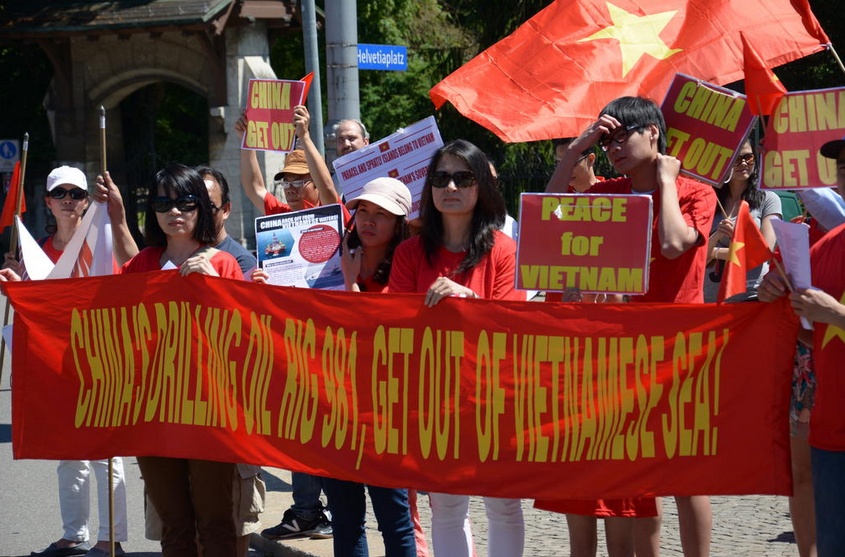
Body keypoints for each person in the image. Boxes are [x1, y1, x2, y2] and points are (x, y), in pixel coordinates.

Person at [547, 96, 716, 557]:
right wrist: (577, 148)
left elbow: (673, 243)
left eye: (622, 136)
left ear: (653, 133)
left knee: (685, 475)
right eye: (607, 142)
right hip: (621, 350)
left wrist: (666, 182)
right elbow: (549, 213)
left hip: (681, 348)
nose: (613, 149)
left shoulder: (696, 192)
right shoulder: (608, 193)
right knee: (636, 471)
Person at [389, 139, 526, 557]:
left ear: (481, 185)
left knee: (503, 504)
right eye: (440, 177)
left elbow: (513, 322)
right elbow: (397, 323)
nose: (450, 187)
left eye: (463, 178)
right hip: (435, 395)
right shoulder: (409, 253)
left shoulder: (504, 249)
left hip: (495, 394)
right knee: (447, 507)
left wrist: (468, 300)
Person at [126, 163, 242, 557]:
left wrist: (215, 285)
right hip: (153, 411)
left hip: (210, 411)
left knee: (215, 522)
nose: (174, 211)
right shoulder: (142, 264)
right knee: (173, 526)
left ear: (202, 208)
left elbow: (244, 337)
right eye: (163, 203)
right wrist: (28, 289)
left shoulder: (223, 263)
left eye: (186, 202)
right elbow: (100, 314)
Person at [19, 166, 132, 557]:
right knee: (68, 452)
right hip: (56, 365)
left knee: (104, 452)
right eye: (60, 193)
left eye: (77, 194)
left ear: (87, 201)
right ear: (47, 202)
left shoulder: (103, 243)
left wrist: (117, 215)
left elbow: (129, 282)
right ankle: (73, 534)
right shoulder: (33, 251)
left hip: (102, 359)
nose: (68, 200)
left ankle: (111, 537)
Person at [320, 177, 417, 557]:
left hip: (385, 412)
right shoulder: (328, 265)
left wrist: (350, 283)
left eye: (381, 214)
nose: (368, 220)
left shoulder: (406, 272)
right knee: (345, 520)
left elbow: (375, 333)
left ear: (400, 224)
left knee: (394, 519)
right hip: (334, 408)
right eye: (362, 210)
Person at [758, 137, 845, 557]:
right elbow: (813, 334)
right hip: (830, 427)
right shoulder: (824, 245)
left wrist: (836, 314)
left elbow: (831, 317)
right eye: (842, 169)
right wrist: (777, 296)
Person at [703, 139, 781, 302]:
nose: (744, 163)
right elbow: (697, 255)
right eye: (736, 159)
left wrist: (716, 252)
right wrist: (717, 235)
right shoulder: (709, 198)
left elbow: (764, 251)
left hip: (751, 296)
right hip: (711, 298)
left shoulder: (768, 198)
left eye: (748, 157)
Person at [238, 105, 343, 216]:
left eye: (298, 183)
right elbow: (254, 188)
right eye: (286, 183)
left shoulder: (332, 211)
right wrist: (247, 140)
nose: (290, 190)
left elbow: (327, 188)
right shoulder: (283, 214)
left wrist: (304, 135)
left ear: (317, 183)